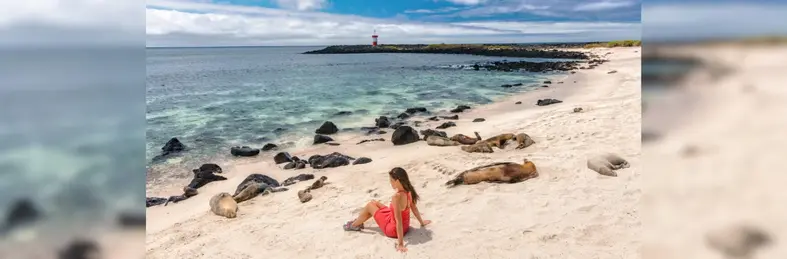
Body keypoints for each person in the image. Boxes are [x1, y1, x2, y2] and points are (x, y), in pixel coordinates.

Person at [343, 167, 432, 252]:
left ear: (397, 181)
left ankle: (354, 225)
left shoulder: (396, 197)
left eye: (391, 181)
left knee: (370, 205)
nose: (390, 183)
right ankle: (359, 222)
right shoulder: (408, 191)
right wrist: (422, 222)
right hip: (404, 226)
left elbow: (398, 221)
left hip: (393, 230)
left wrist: (400, 244)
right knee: (375, 203)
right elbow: (414, 208)